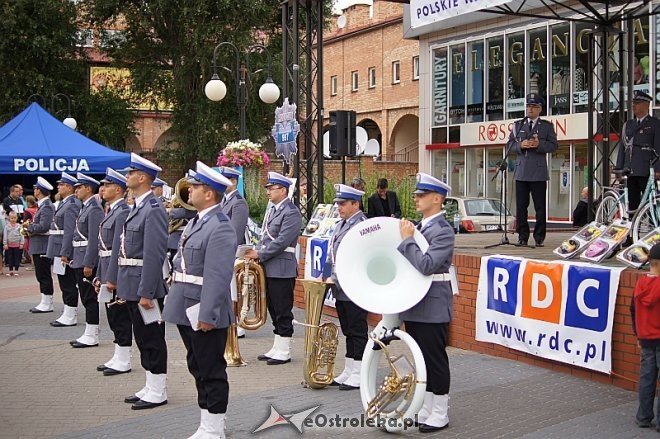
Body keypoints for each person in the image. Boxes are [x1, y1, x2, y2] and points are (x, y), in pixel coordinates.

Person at [163, 162, 238, 438]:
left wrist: (208, 314)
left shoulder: (220, 227)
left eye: (194, 186)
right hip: (186, 307)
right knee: (197, 366)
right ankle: (209, 420)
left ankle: (214, 426)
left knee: (210, 370)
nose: (188, 190)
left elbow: (217, 277)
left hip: (202, 311)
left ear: (208, 193)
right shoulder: (197, 221)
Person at [398, 173, 455, 433]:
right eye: (416, 195)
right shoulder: (421, 227)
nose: (416, 199)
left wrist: (407, 240)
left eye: (422, 195)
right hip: (416, 302)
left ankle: (440, 411)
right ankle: (427, 407)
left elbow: (427, 265)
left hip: (432, 305)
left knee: (434, 359)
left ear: (437, 198)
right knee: (421, 359)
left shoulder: (442, 230)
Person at [115, 153, 168, 410]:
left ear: (143, 177)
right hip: (133, 284)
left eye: (130, 173)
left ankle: (158, 389)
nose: (126, 177)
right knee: (142, 336)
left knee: (152, 338)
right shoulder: (138, 206)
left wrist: (146, 291)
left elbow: (154, 254)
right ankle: (150, 384)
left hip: (145, 287)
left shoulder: (153, 209)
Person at [244, 172, 303, 365]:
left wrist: (260, 254)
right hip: (270, 267)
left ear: (283, 190)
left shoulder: (291, 212)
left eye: (272, 188)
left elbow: (282, 241)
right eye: (268, 188)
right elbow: (266, 238)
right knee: (271, 306)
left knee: (282, 308)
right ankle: (277, 345)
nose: (268, 191)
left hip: (282, 267)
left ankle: (284, 349)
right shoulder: (274, 210)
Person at [325, 183, 368, 390]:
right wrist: (326, 276)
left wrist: (337, 279)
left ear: (355, 204)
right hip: (340, 287)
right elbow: (332, 253)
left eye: (343, 204)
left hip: (354, 287)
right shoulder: (341, 224)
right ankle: (350, 368)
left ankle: (360, 372)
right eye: (338, 203)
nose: (339, 207)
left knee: (357, 330)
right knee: (347, 329)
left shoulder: (362, 226)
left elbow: (359, 259)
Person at [507, 93, 558, 247]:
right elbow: (508, 145)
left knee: (540, 207)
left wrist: (539, 145)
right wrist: (520, 146)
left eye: (534, 107)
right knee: (521, 207)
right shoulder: (518, 125)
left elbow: (554, 146)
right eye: (528, 106)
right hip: (521, 172)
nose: (530, 109)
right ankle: (522, 236)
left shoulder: (546, 126)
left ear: (540, 109)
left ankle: (539, 237)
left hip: (538, 172)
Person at [95, 168, 133, 375]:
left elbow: (119, 248)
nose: (103, 189)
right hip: (106, 265)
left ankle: (124, 358)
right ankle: (118, 354)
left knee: (119, 315)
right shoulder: (113, 210)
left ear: (118, 189)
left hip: (115, 269)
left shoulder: (123, 212)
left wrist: (111, 277)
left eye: (107, 185)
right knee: (112, 314)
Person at [69, 173, 104, 348]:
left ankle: (92, 333)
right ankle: (89, 331)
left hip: (85, 259)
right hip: (79, 256)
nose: (76, 191)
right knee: (85, 297)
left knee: (90, 298)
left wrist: (89, 262)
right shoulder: (86, 207)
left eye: (79, 187)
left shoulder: (94, 208)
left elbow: (94, 238)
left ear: (88, 188)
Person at [629, 243, 660, 431]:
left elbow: (633, 311)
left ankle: (643, 417)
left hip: (646, 340)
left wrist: (638, 335)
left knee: (647, 380)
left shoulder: (640, 284)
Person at [614, 91, 660, 215]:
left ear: (647, 105)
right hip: (630, 170)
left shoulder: (655, 124)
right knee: (631, 204)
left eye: (637, 103)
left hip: (647, 170)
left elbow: (658, 147)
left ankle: (651, 230)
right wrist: (619, 168)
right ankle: (632, 233)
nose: (634, 106)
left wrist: (657, 169)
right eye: (633, 103)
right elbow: (623, 147)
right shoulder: (628, 125)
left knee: (650, 204)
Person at [47, 172, 82, 327]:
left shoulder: (72, 204)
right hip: (59, 247)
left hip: (64, 249)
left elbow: (69, 230)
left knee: (68, 283)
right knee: (63, 282)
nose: (58, 187)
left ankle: (70, 314)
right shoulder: (65, 202)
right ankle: (67, 312)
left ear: (69, 187)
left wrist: (65, 252)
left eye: (61, 185)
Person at [218, 166, 250, 339]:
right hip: (224, 251)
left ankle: (238, 323)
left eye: (226, 180)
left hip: (232, 252)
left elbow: (235, 231)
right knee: (226, 289)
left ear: (234, 182)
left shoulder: (238, 202)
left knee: (234, 290)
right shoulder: (225, 200)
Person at [27, 177, 56, 313]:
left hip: (43, 245)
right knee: (40, 274)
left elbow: (44, 226)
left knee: (43, 274)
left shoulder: (47, 206)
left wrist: (30, 228)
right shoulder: (43, 205)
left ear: (39, 190)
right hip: (39, 245)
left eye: (35, 188)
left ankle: (47, 301)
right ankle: (45, 300)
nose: (34, 191)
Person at [3, 211, 24, 276]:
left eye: (14, 218)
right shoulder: (7, 227)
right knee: (10, 258)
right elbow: (5, 235)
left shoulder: (19, 226)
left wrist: (22, 243)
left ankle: (16, 270)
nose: (13, 219)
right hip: (9, 245)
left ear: (17, 218)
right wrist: (5, 243)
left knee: (17, 258)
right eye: (12, 218)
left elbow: (22, 235)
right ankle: (10, 270)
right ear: (9, 218)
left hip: (17, 244)